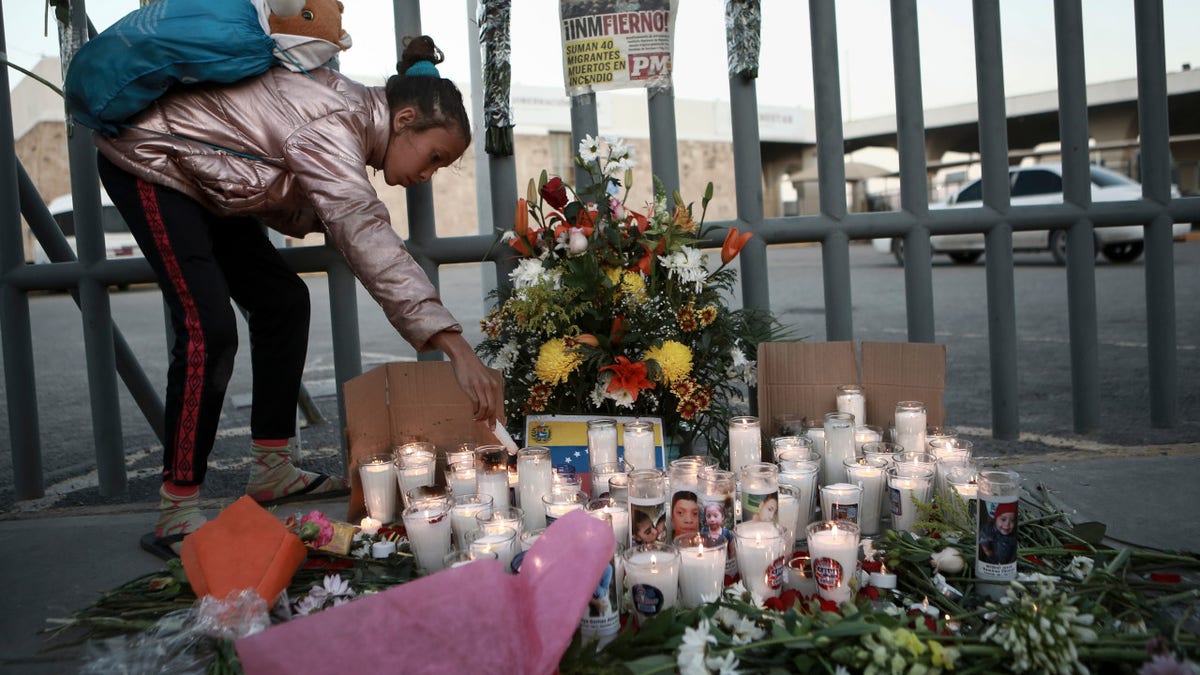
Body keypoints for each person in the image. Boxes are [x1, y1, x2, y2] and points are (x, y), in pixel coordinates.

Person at [93, 35, 504, 560]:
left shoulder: (349, 122)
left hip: (206, 179)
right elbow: (365, 232)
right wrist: (457, 349)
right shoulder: (336, 122)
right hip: (153, 158)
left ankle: (271, 467)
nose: (426, 176)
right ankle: (178, 504)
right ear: (402, 121)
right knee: (208, 329)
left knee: (284, 302)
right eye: (434, 158)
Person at [978, 501, 1018, 565]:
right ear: (996, 519)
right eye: (1003, 519)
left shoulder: (1013, 536)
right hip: (992, 561)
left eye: (1012, 520)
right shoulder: (990, 530)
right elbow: (983, 540)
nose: (1007, 524)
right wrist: (988, 553)